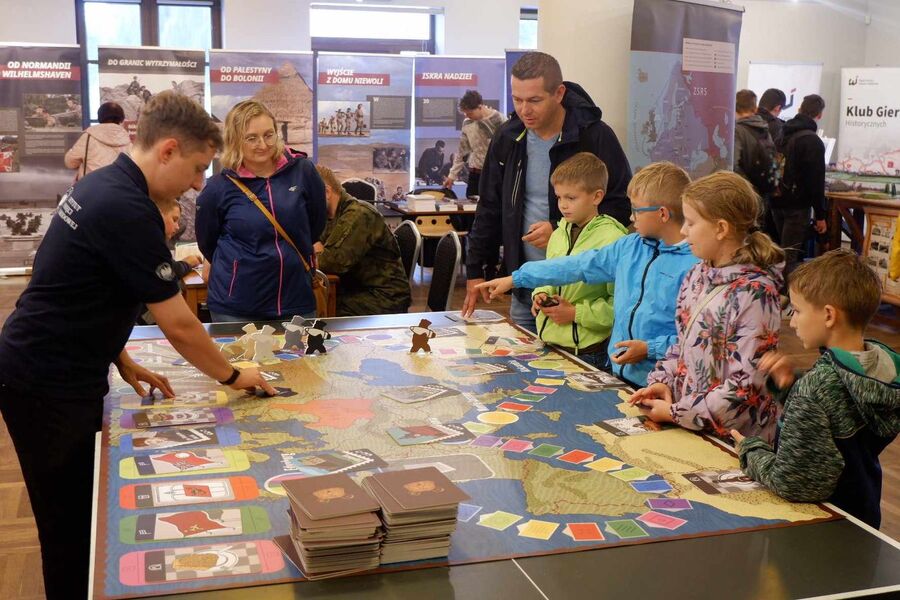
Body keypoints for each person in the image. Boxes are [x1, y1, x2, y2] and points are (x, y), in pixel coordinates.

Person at [0, 91, 276, 600]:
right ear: (168, 150)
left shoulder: (104, 184)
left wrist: (119, 354)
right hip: (46, 383)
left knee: (83, 513)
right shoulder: (128, 208)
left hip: (50, 368)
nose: (197, 184)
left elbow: (70, 282)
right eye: (197, 168)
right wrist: (237, 377)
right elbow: (181, 326)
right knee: (70, 525)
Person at [477, 161, 697, 387]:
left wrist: (650, 349)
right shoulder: (629, 247)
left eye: (636, 210)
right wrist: (516, 278)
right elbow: (576, 266)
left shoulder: (694, 265)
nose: (631, 218)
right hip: (618, 372)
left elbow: (699, 340)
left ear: (662, 214)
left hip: (663, 383)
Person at [462, 51, 632, 332]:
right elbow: (490, 208)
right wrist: (474, 269)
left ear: (559, 93)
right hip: (524, 282)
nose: (524, 110)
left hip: (582, 292)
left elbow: (620, 205)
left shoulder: (596, 136)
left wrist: (560, 228)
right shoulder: (507, 137)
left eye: (534, 100)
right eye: (517, 100)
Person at [734, 250, 900, 529]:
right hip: (863, 517)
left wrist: (750, 450)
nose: (794, 321)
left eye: (797, 310)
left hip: (817, 527)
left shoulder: (816, 389)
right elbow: (838, 414)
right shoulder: (880, 368)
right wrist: (791, 388)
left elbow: (794, 483)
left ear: (828, 315)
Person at [629, 171, 784, 443]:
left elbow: (745, 387)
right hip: (690, 428)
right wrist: (663, 382)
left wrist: (677, 412)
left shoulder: (756, 294)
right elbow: (682, 344)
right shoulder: (696, 275)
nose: (683, 231)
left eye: (690, 222)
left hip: (738, 441)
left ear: (721, 229)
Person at [196, 100, 327, 322]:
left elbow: (315, 225)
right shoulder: (219, 187)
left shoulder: (303, 172)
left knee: (298, 358)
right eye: (251, 138)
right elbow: (208, 243)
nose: (263, 144)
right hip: (235, 306)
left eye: (269, 135)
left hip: (295, 298)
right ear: (235, 140)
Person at [525, 153, 627, 367]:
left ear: (597, 197)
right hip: (549, 343)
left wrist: (574, 313)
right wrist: (541, 293)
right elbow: (548, 274)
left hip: (588, 352)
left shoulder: (614, 240)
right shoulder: (559, 233)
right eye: (559, 197)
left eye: (571, 198)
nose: (563, 205)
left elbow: (619, 306)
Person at [313, 165, 410, 316]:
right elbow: (319, 249)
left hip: (383, 298)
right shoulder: (331, 216)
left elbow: (329, 263)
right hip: (356, 289)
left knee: (315, 306)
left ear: (326, 192)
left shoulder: (359, 215)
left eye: (307, 197)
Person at [773, 93, 827, 279]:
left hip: (776, 201)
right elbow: (816, 181)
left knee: (782, 254)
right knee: (790, 257)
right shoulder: (812, 141)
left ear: (800, 109)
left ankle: (779, 298)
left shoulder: (782, 133)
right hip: (797, 206)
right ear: (819, 115)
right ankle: (790, 303)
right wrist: (821, 215)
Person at [442, 90, 505, 198]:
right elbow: (463, 152)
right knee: (470, 210)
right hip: (475, 174)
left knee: (492, 210)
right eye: (465, 113)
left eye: (470, 113)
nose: (467, 116)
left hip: (495, 175)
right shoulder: (467, 123)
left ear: (480, 106)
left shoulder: (500, 120)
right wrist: (452, 175)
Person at [64, 101, 131, 180]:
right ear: (121, 119)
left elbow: (70, 162)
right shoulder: (127, 140)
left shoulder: (88, 137)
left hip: (92, 188)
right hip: (120, 189)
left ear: (100, 117)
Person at [756, 87, 787, 243]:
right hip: (766, 188)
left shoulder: (743, 121)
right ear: (778, 108)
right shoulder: (777, 127)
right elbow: (779, 159)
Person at [733, 89, 776, 197]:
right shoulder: (764, 128)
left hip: (746, 195)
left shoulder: (736, 130)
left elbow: (733, 165)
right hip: (764, 192)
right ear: (755, 109)